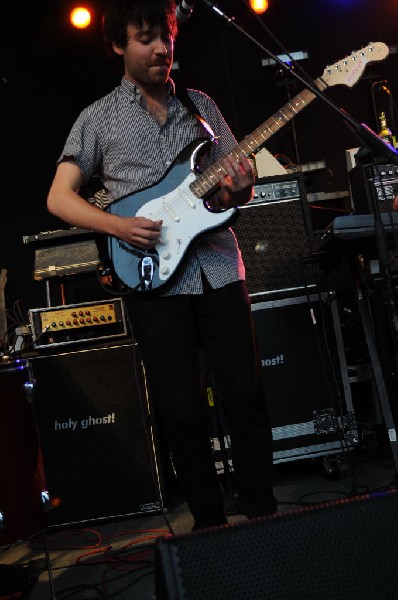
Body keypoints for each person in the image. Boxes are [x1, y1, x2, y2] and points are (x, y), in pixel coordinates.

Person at [47, 0, 276, 530]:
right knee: (183, 413)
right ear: (117, 45)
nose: (159, 49)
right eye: (145, 38)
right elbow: (59, 198)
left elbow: (230, 189)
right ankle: (210, 528)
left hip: (218, 271)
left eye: (165, 37)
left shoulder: (200, 106)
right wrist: (119, 227)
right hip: (152, 280)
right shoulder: (97, 118)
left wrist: (242, 188)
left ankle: (264, 516)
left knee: (245, 395)